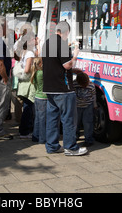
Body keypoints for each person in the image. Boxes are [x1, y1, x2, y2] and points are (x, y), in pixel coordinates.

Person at [42, 21, 87, 156]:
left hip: (49, 87)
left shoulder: (47, 42)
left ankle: (52, 145)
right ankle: (70, 147)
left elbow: (54, 63)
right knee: (68, 118)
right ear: (65, 32)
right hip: (63, 88)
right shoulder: (60, 44)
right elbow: (67, 65)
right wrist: (75, 54)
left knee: (52, 118)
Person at [15, 32, 37, 139]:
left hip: (23, 83)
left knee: (26, 107)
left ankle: (24, 130)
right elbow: (28, 69)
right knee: (28, 108)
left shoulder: (24, 52)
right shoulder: (30, 54)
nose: (35, 40)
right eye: (33, 39)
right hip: (29, 83)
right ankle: (24, 131)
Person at [73, 72, 96, 146]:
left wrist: (94, 104)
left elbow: (93, 95)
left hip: (88, 106)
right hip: (77, 106)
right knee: (76, 122)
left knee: (88, 123)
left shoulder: (91, 85)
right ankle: (75, 135)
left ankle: (88, 139)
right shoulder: (75, 84)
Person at [31, 57, 46, 144]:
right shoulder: (41, 73)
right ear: (40, 64)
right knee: (42, 120)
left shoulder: (36, 72)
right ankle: (42, 138)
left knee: (38, 118)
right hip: (43, 98)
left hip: (37, 97)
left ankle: (35, 136)